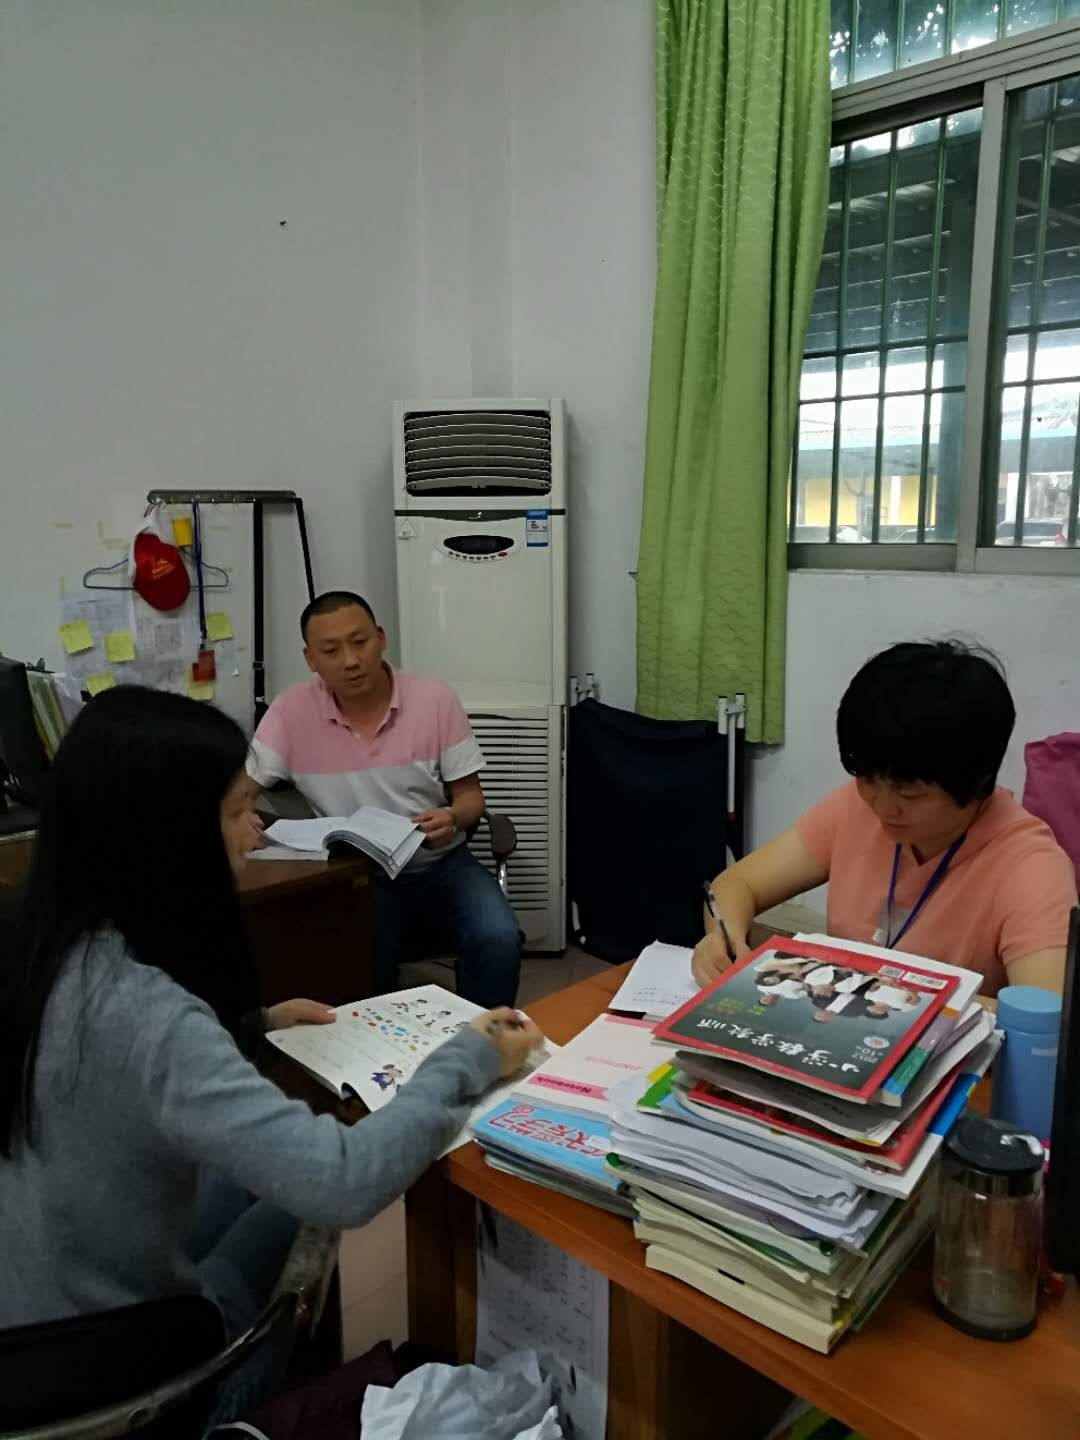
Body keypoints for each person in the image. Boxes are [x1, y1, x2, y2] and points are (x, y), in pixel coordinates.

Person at [0, 686, 541, 1420]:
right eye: (237, 811)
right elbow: (343, 1181)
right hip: (132, 1398)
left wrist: (249, 1026)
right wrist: (468, 1056)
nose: (253, 836)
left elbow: (115, 1066)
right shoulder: (146, 1014)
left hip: (29, 1341)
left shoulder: (33, 945)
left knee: (242, 1176)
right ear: (169, 838)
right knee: (304, 1207)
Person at [693, 641, 1076, 998]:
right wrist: (724, 940)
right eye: (867, 780)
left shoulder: (1030, 868)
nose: (883, 807)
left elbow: (1046, 1017)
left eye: (910, 794)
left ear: (977, 782)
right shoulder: (856, 807)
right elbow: (738, 883)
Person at [247, 592, 521, 1008]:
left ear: (380, 638)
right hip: (358, 876)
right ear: (310, 659)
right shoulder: (289, 712)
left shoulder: (434, 700)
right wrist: (239, 817)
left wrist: (451, 816)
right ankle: (379, 1042)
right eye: (331, 651)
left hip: (441, 864)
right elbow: (240, 791)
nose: (350, 661)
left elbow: (471, 798)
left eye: (359, 642)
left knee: (498, 936)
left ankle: (488, 1037)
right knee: (360, 956)